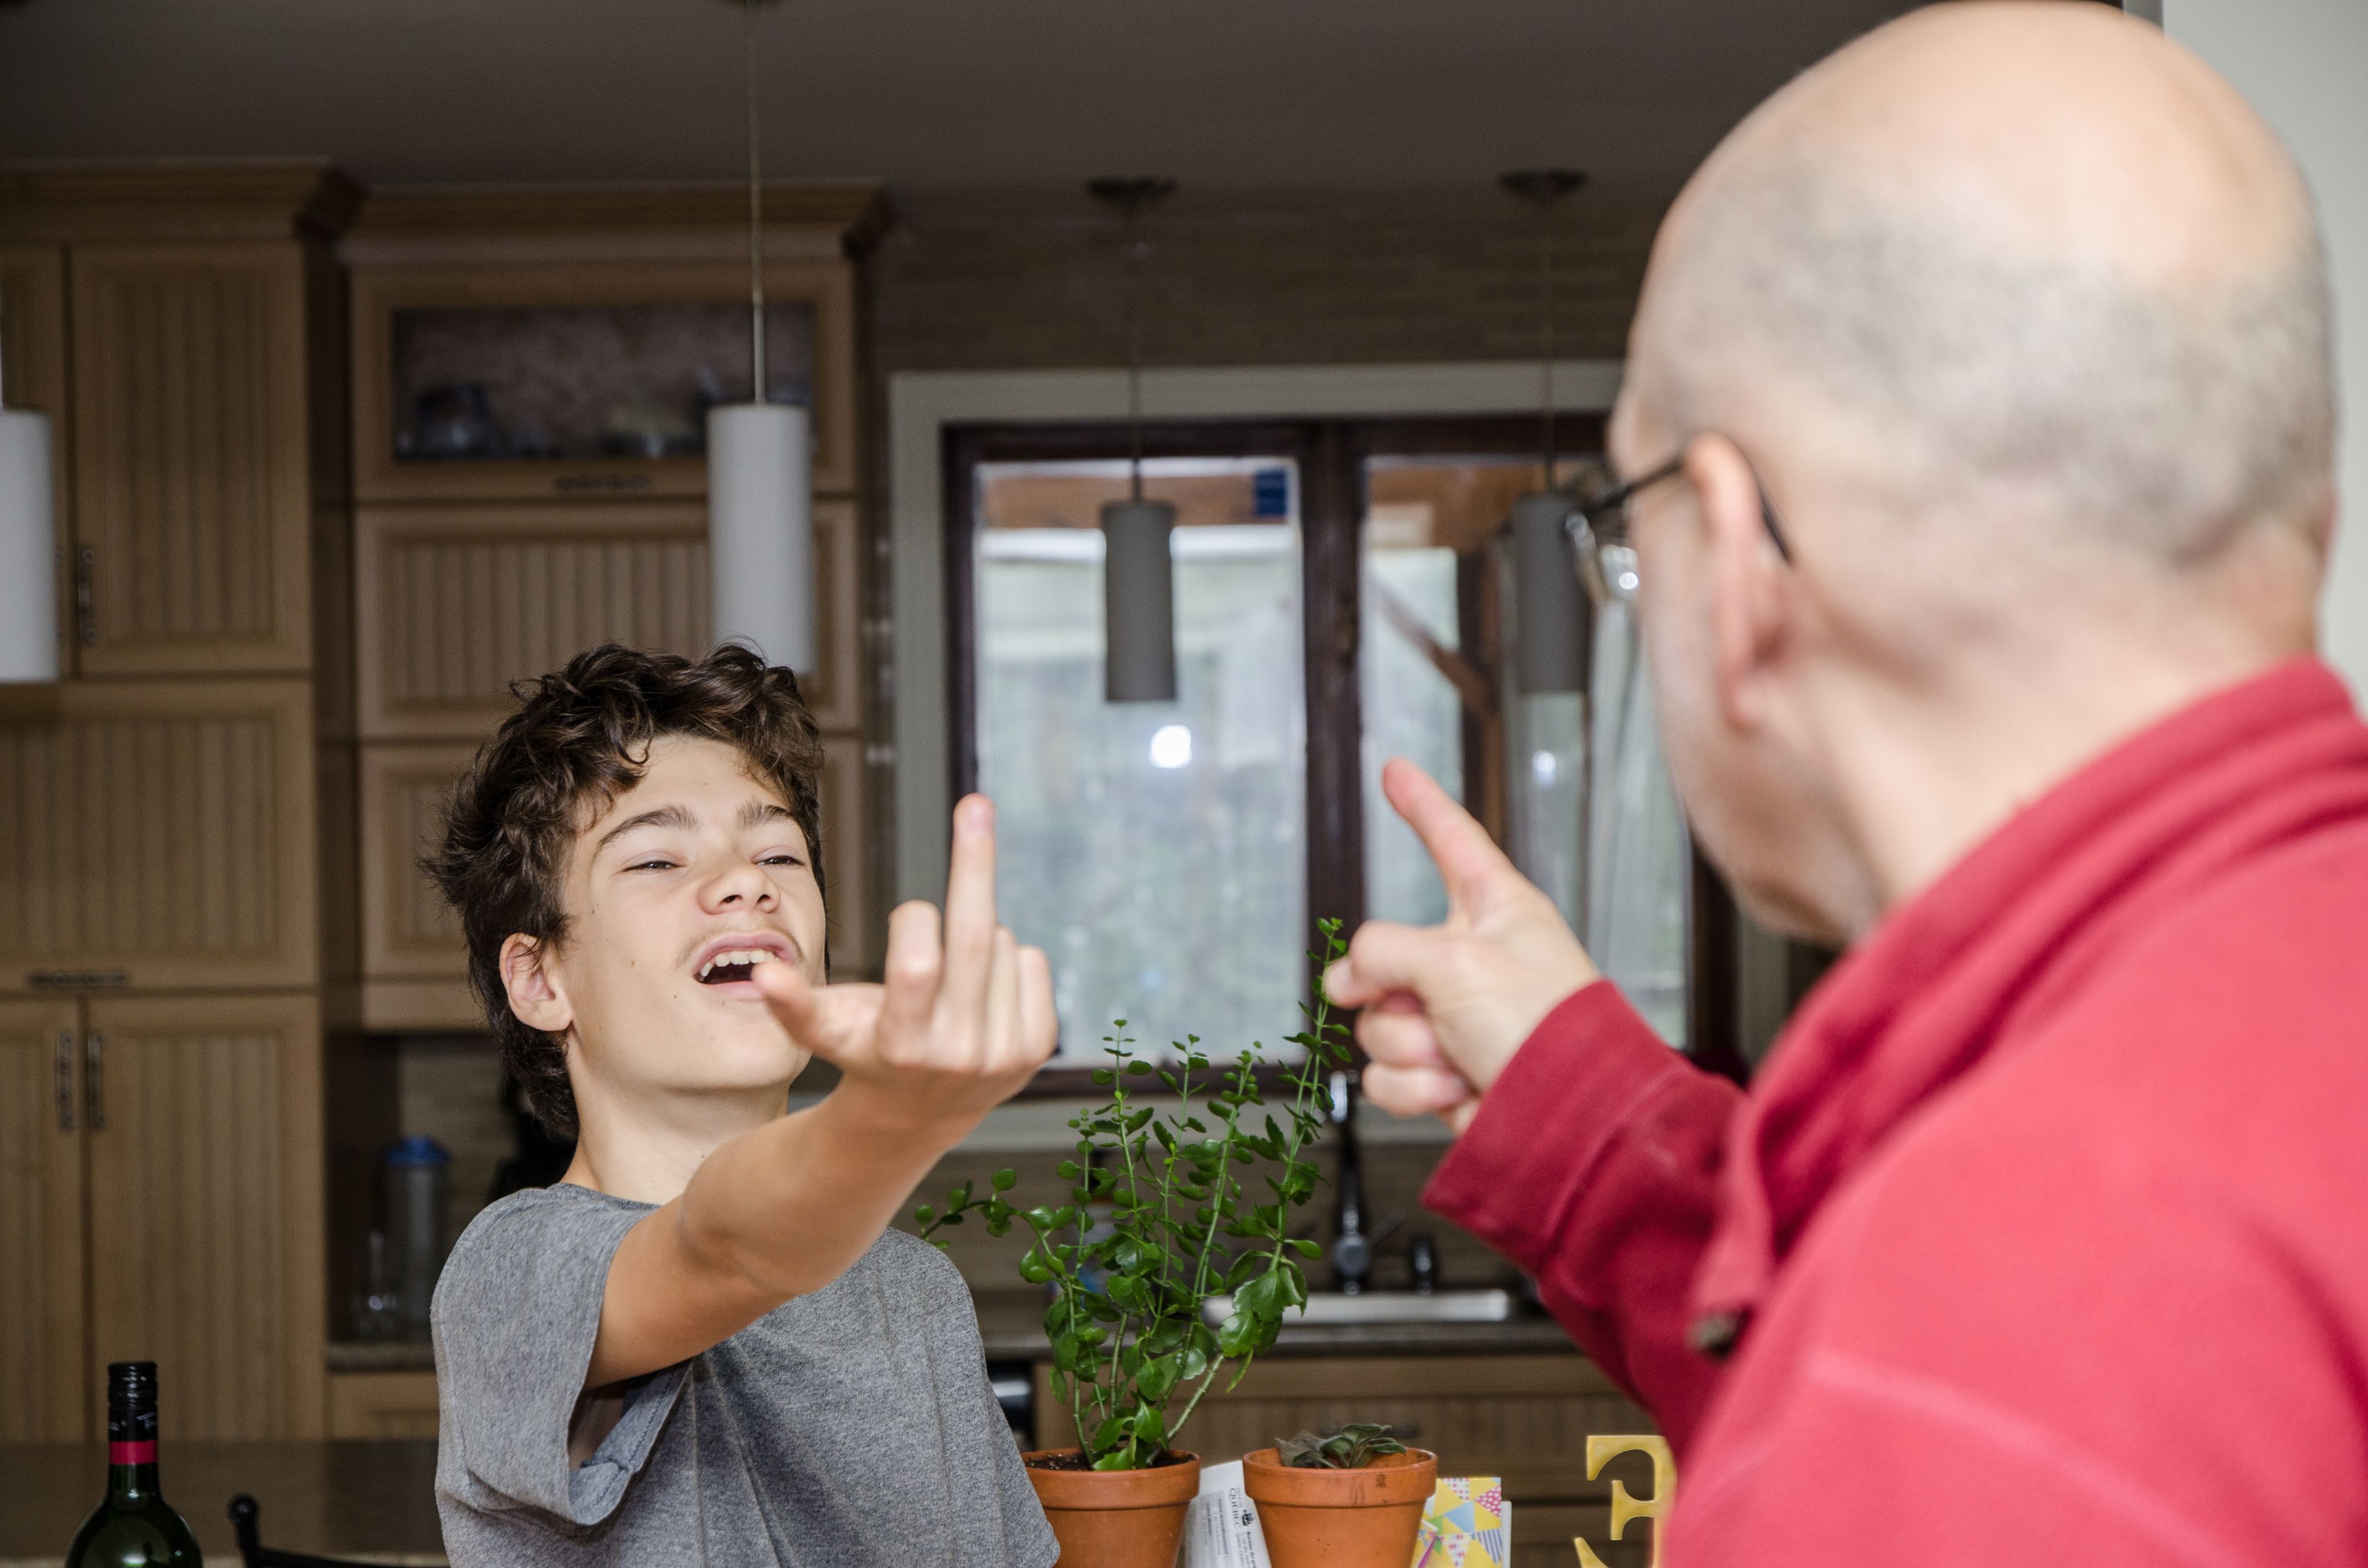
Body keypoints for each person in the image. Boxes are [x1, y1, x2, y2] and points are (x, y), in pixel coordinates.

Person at [1331, 4, 2368, 1561]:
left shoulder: (1999, 1310)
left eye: (1632, 522)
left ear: (1741, 560)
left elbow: (1972, 1383)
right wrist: (1584, 1110)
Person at [424, 643, 1057, 1567]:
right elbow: (718, 1244)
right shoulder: (508, 1277)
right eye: (655, 859)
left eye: (777, 851)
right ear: (540, 977)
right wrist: (889, 1118)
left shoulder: (917, 1296)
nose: (747, 881)